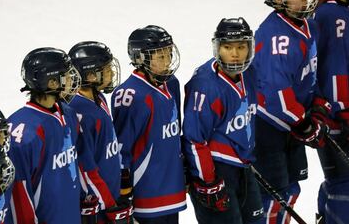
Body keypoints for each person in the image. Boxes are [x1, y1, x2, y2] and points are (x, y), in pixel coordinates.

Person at [253, 0, 329, 223]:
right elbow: (277, 96)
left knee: (291, 190)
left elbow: (310, 76)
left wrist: (317, 106)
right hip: (268, 124)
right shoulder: (276, 36)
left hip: (292, 122)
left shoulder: (310, 26)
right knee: (272, 196)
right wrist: (304, 123)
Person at [182, 17, 263, 224]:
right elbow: (194, 140)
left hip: (242, 167)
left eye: (241, 47)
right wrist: (208, 182)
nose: (235, 54)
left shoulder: (250, 73)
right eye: (227, 47)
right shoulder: (205, 85)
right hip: (217, 170)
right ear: (218, 48)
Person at [111, 25, 186, 224]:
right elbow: (120, 148)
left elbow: (174, 131)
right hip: (146, 191)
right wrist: (123, 190)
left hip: (171, 188)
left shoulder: (172, 83)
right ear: (140, 59)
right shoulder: (129, 95)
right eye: (160, 57)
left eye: (169, 54)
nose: (168, 61)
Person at [5, 47, 84, 224]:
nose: (73, 79)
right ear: (52, 83)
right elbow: (18, 192)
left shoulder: (68, 113)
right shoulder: (24, 133)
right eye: (67, 74)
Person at [68, 41, 132, 223]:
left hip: (110, 196)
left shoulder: (99, 97)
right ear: (90, 75)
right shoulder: (79, 113)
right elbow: (85, 167)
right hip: (97, 205)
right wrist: (109, 204)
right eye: (106, 69)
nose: (112, 73)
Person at [314, 0, 349, 223]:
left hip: (336, 112)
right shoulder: (331, 13)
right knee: (343, 186)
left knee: (338, 182)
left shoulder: (340, 10)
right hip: (335, 116)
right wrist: (343, 111)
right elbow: (335, 69)